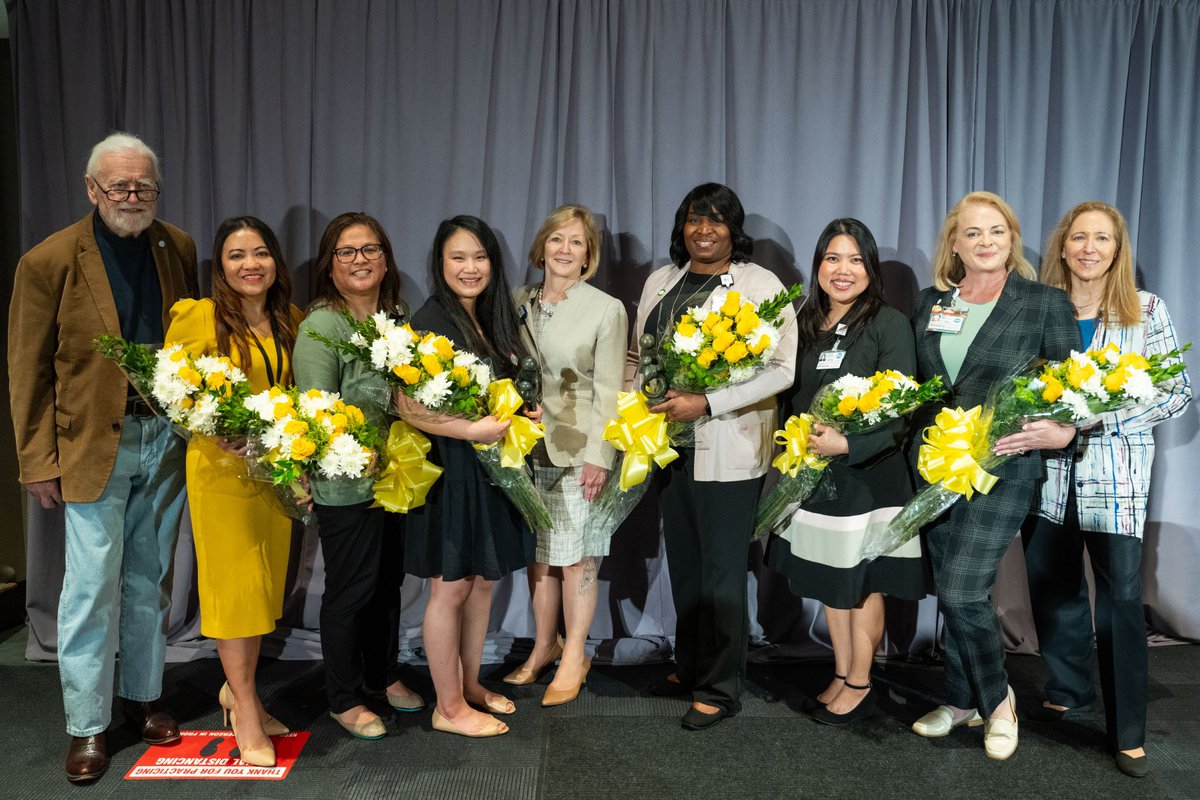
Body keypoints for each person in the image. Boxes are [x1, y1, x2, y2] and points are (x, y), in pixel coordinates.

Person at [7, 132, 196, 781]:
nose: (133, 196)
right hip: (90, 446)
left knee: (150, 581)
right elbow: (27, 369)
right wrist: (38, 460)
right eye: (120, 186)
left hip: (163, 439)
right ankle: (87, 726)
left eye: (144, 185)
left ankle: (142, 698)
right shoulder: (48, 261)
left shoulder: (177, 246)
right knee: (89, 590)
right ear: (92, 190)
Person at [1022, 201, 1191, 778]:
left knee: (1119, 603)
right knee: (1052, 589)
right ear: (1063, 246)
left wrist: (1093, 421)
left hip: (1116, 480)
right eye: (1078, 237)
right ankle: (1068, 691)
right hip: (1046, 479)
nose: (1088, 248)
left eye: (1101, 239)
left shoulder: (1145, 310)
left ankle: (1128, 732)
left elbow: (1175, 394)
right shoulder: (1042, 307)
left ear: (1118, 250)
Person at [908, 191, 1080, 760]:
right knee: (953, 589)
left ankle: (998, 701)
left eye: (996, 231)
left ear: (1012, 239)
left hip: (1005, 465)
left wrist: (1065, 431)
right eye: (973, 232)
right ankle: (961, 701)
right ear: (954, 244)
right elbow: (922, 386)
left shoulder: (1043, 302)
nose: (985, 241)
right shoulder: (930, 302)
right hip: (936, 463)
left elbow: (1071, 386)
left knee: (963, 589)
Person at [632, 183, 797, 730]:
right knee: (686, 566)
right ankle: (690, 665)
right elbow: (638, 355)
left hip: (728, 444)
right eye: (694, 219)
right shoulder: (662, 281)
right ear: (681, 227)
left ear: (734, 229)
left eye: (716, 220)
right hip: (669, 448)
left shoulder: (760, 285)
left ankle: (720, 688)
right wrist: (637, 408)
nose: (704, 230)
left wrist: (707, 402)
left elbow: (782, 369)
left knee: (722, 572)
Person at [763, 218, 926, 724]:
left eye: (855, 260)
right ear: (818, 265)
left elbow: (902, 409)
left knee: (861, 586)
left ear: (870, 269)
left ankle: (860, 682)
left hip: (869, 478)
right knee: (833, 585)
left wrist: (849, 443)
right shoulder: (804, 322)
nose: (843, 270)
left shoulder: (888, 324)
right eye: (833, 258)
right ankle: (839, 672)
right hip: (817, 477)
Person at [164, 216, 302, 766]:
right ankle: (245, 706)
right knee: (234, 592)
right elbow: (170, 391)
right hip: (221, 475)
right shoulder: (198, 316)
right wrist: (210, 424)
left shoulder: (289, 319)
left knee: (264, 591)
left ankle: (238, 690)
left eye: (260, 253)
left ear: (275, 262)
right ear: (220, 267)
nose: (251, 264)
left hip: (272, 474)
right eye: (237, 255)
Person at [400, 215, 538, 737]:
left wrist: (520, 412)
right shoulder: (430, 322)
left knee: (481, 584)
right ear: (440, 263)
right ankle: (449, 706)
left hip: (488, 470)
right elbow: (407, 406)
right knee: (450, 588)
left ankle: (470, 685)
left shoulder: (490, 317)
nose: (470, 267)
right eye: (458, 257)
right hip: (451, 472)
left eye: (479, 257)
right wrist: (470, 429)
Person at [292, 212, 423, 740]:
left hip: (395, 477)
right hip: (345, 482)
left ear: (386, 260)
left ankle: (382, 676)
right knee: (351, 590)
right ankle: (344, 699)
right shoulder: (323, 325)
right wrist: (354, 455)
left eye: (370, 249)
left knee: (387, 585)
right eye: (346, 251)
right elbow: (315, 412)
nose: (360, 259)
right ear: (330, 265)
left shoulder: (395, 316)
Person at [505, 205, 628, 706]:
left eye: (576, 242)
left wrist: (601, 455)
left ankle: (575, 653)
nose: (564, 249)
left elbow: (610, 389)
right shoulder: (516, 300)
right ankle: (544, 645)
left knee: (578, 557)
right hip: (522, 448)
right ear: (541, 247)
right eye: (557, 239)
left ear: (588, 255)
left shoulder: (606, 309)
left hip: (580, 451)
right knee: (540, 558)